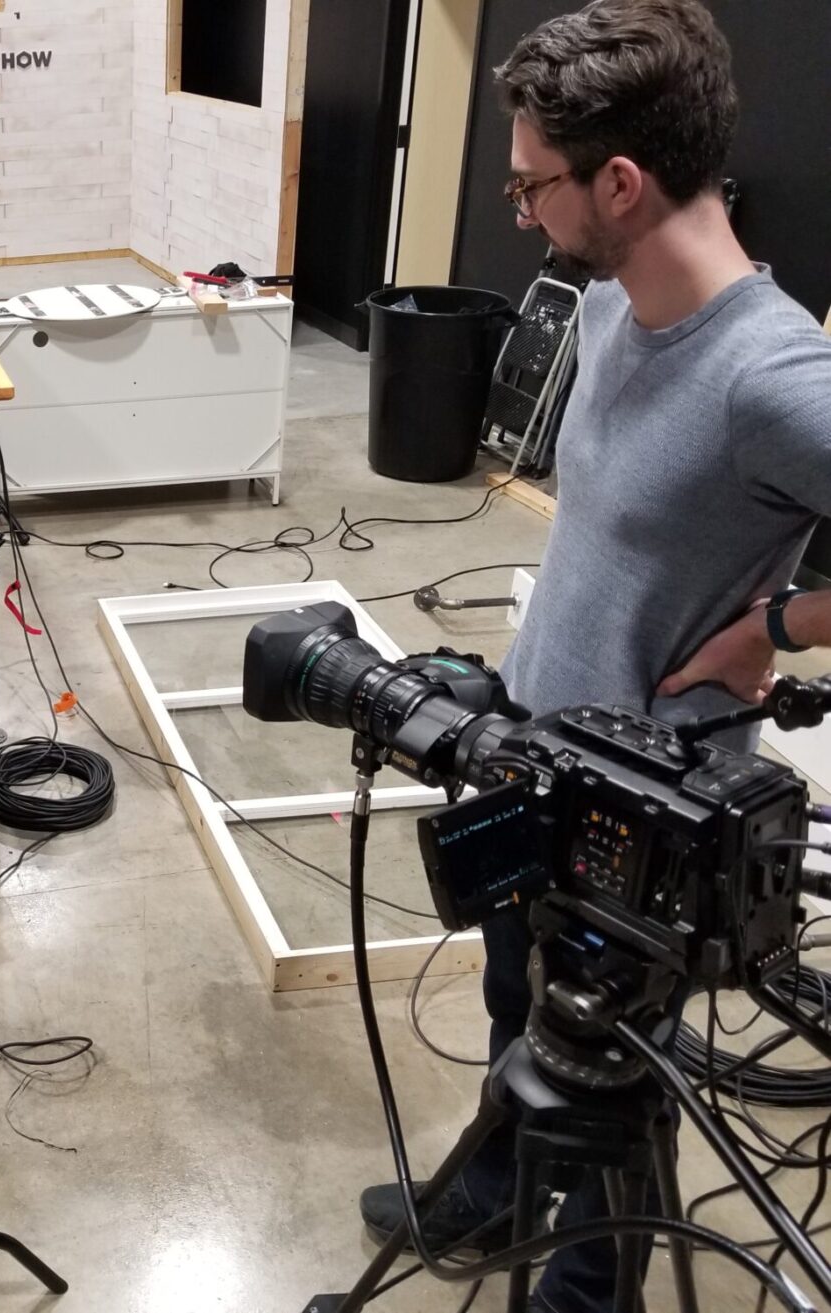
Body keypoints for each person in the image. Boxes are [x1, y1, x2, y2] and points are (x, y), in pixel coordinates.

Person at [356, 3, 831, 1311]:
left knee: (613, 1083)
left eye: (529, 185)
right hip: (533, 741)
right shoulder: (613, 306)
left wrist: (772, 627)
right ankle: (488, 1192)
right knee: (522, 1010)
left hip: (649, 808)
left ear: (617, 180)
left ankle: (584, 1292)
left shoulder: (770, 373)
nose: (516, 210)